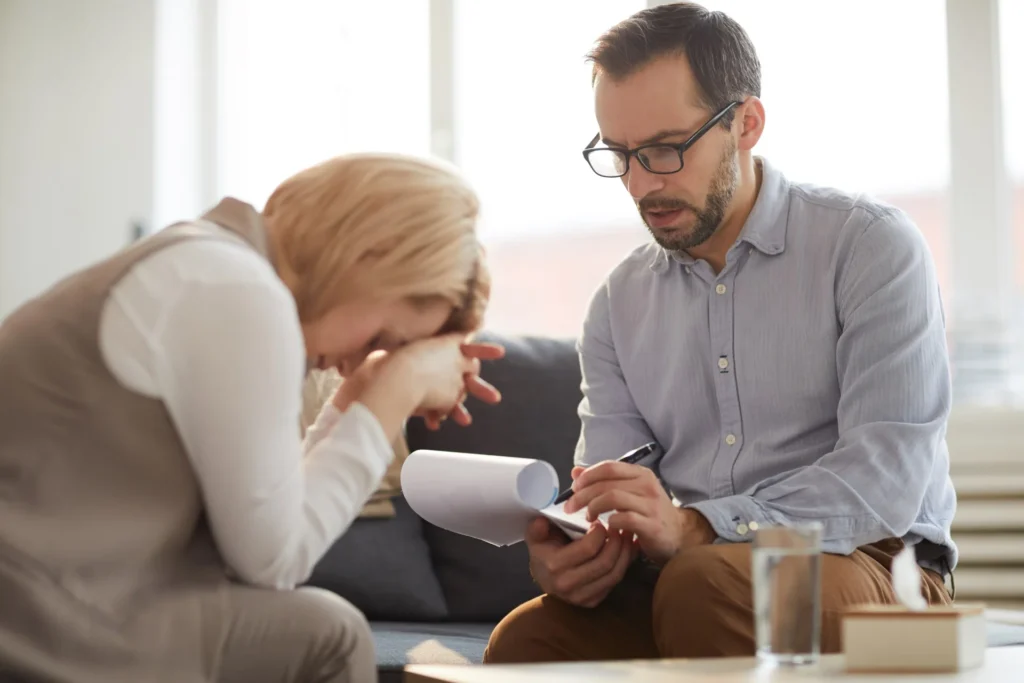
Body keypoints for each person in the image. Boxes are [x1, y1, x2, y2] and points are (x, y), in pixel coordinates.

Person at [485, 1, 956, 663]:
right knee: (527, 640)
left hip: (880, 565)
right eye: (619, 155)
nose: (642, 183)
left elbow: (883, 482)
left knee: (703, 584)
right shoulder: (619, 302)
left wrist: (701, 523)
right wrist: (578, 549)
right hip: (694, 571)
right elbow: (609, 485)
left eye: (666, 149)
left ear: (746, 123)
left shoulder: (869, 246)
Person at [0, 152, 504, 683]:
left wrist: (355, 399)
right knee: (327, 634)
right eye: (381, 340)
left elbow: (265, 524)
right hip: (40, 608)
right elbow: (274, 562)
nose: (362, 360)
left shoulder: (214, 264)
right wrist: (390, 397)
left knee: (320, 628)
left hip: (60, 589)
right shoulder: (235, 293)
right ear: (374, 254)